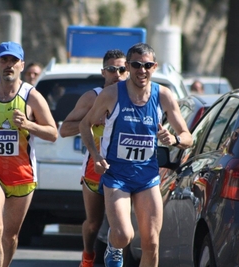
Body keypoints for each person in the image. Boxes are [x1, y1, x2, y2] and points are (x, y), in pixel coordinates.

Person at [79, 43, 193, 267]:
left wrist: (175, 140)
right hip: (116, 176)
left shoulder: (163, 96)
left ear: (155, 67)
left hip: (147, 177)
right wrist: (96, 155)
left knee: (151, 242)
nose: (142, 70)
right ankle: (114, 246)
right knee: (123, 235)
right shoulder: (111, 94)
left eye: (147, 65)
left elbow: (188, 136)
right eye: (136, 65)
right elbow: (85, 125)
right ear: (128, 67)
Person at [0, 41, 58, 267]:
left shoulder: (31, 96)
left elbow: (53, 133)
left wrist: (28, 124)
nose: (9, 65)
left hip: (22, 175)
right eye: (4, 60)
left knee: (10, 236)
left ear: (22, 65)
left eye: (14, 61)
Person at [59, 49, 128, 267]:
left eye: (122, 69)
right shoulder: (92, 97)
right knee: (93, 223)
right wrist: (92, 120)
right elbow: (65, 129)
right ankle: (88, 255)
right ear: (103, 72)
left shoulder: (134, 96)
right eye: (111, 69)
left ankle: (115, 258)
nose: (117, 74)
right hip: (95, 168)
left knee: (121, 223)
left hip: (125, 169)